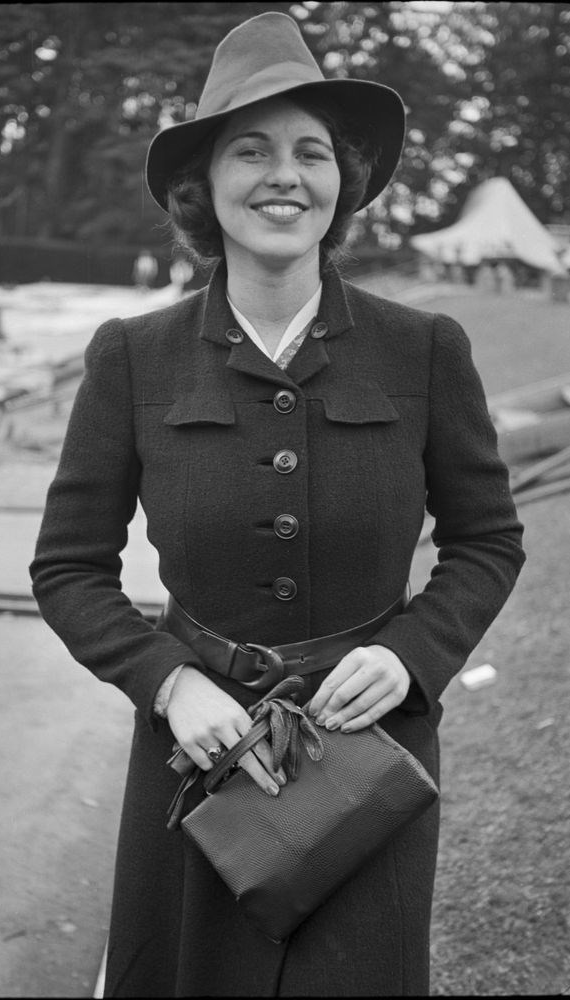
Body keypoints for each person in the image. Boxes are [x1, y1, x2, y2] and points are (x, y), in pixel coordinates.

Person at [30, 12, 525, 997]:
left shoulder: (424, 348)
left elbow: (487, 541)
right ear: (201, 187)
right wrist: (170, 684)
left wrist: (411, 655)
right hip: (194, 762)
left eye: (311, 152)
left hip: (365, 760)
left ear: (341, 184)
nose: (283, 176)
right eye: (249, 150)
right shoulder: (132, 356)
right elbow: (67, 568)